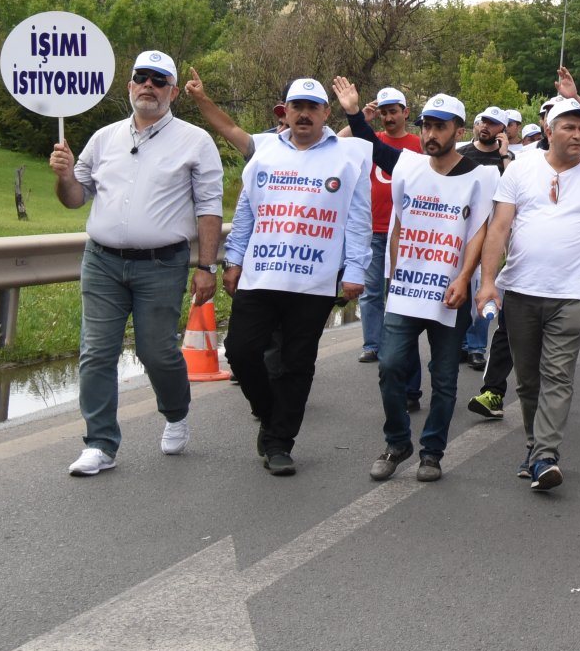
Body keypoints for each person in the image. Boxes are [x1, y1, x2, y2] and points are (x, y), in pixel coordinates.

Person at [49, 49, 225, 477]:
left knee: (156, 352)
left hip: (161, 264)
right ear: (129, 85)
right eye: (141, 77)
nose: (149, 85)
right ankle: (100, 443)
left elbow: (208, 207)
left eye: (159, 80)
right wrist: (65, 176)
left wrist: (206, 266)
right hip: (103, 261)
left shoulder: (195, 141)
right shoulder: (104, 137)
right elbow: (76, 199)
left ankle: (176, 411)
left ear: (173, 91)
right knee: (96, 353)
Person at [222, 78, 373, 475]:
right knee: (239, 351)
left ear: (326, 113)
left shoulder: (348, 156)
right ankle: (269, 414)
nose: (303, 114)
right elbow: (245, 211)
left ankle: (279, 442)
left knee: (296, 364)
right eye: (296, 106)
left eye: (313, 107)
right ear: (284, 111)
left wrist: (356, 270)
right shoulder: (265, 152)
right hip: (261, 275)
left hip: (314, 281)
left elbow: (358, 220)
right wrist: (233, 260)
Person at [474, 97, 580, 492]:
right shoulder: (521, 169)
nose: (578, 135)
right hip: (521, 290)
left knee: (557, 375)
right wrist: (488, 282)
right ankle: (534, 447)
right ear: (550, 131)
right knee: (528, 381)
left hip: (573, 296)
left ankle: (545, 455)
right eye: (569, 127)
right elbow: (499, 228)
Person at [361, 90, 497, 482]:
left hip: (449, 292)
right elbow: (400, 222)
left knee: (444, 377)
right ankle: (397, 440)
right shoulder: (408, 166)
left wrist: (463, 278)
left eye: (440, 126)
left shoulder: (479, 175)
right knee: (389, 365)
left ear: (458, 129)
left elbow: (478, 231)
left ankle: (432, 452)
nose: (431, 134)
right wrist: (394, 273)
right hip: (406, 288)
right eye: (427, 126)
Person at [356, 87, 423, 364]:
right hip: (373, 228)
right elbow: (336, 142)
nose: (388, 117)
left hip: (405, 232)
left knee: (397, 289)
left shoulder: (419, 144)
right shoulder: (371, 140)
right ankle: (372, 344)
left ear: (405, 113)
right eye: (383, 113)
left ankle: (398, 344)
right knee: (371, 290)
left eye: (393, 111)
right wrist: (361, 118)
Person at [455, 107, 514, 370]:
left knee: (484, 289)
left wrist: (505, 155)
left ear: (502, 130)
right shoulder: (463, 153)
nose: (485, 128)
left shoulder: (508, 161)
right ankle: (459, 342)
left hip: (492, 232)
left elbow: (515, 189)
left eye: (492, 124)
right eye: (482, 122)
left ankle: (477, 346)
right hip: (462, 230)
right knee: (461, 287)